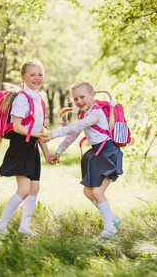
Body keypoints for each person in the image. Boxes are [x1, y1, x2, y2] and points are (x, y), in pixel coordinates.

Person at [40, 81, 123, 240]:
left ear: (92, 96)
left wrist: (54, 134)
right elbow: (74, 133)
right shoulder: (85, 113)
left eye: (82, 97)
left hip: (108, 153)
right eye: (76, 99)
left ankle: (109, 229)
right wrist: (59, 150)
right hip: (97, 154)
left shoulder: (96, 113)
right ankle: (112, 218)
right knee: (88, 192)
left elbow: (76, 126)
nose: (79, 101)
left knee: (98, 192)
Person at [0, 59, 56, 236]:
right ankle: (0, 226)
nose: (37, 78)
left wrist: (46, 153)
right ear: (23, 78)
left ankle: (24, 228)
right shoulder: (22, 98)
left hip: (32, 147)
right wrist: (38, 135)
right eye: (32, 74)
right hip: (20, 146)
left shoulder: (39, 100)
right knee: (24, 190)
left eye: (40, 74)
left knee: (34, 189)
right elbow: (17, 127)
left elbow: (39, 129)